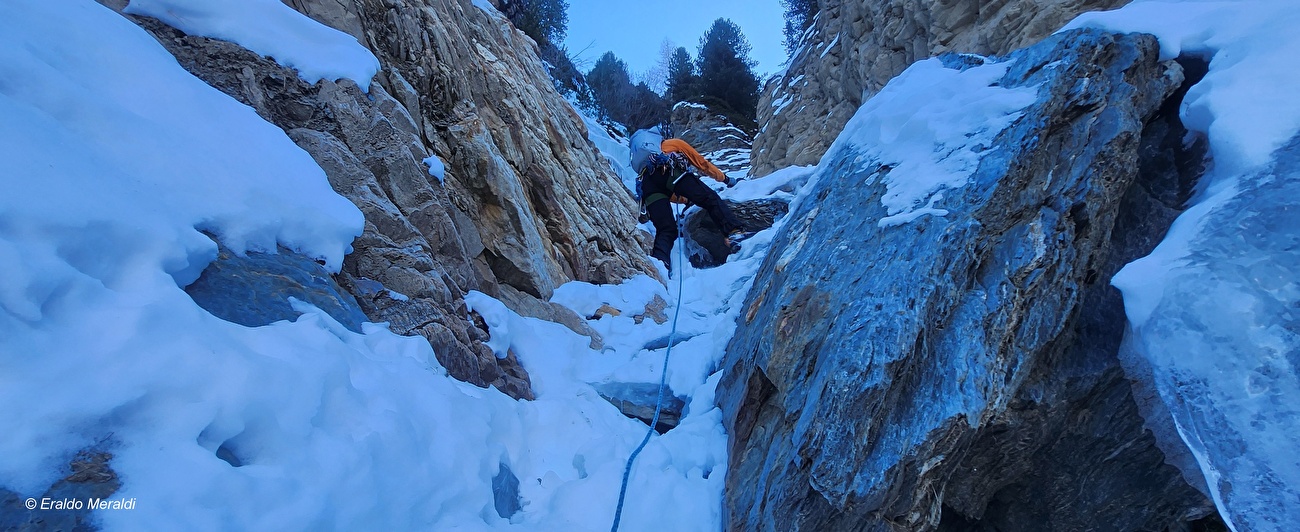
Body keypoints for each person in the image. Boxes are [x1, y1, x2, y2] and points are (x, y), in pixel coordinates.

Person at [634, 127, 752, 272]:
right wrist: (726, 179)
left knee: (666, 229)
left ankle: (659, 265)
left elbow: (665, 192)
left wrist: (687, 201)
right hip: (670, 171)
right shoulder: (672, 144)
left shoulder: (645, 166)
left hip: (647, 186)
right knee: (710, 199)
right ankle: (734, 233)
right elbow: (701, 163)